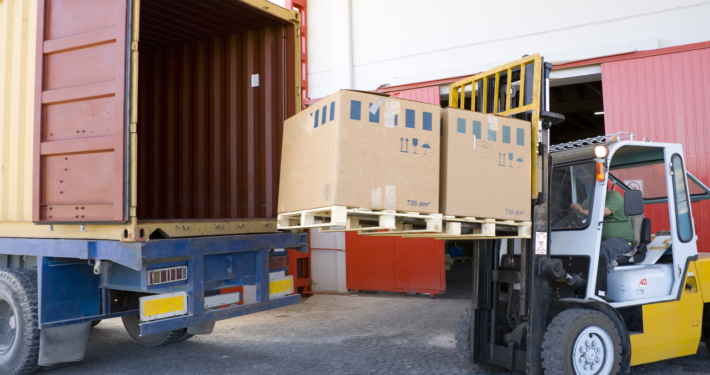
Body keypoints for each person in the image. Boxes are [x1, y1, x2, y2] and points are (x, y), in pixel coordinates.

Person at [570, 167, 635, 269]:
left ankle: (598, 280)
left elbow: (605, 211)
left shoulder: (615, 196)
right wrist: (576, 210)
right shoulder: (588, 201)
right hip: (596, 239)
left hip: (622, 241)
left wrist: (582, 211)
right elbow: (580, 218)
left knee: (604, 248)